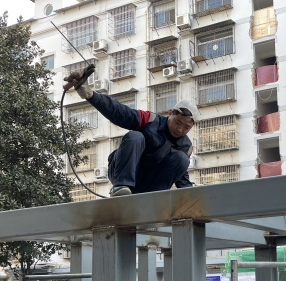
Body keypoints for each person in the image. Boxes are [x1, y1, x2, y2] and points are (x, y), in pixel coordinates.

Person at [64, 71, 200, 197]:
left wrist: (194, 198)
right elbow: (121, 112)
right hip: (123, 172)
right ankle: (121, 187)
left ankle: (156, 197)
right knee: (136, 136)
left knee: (182, 159)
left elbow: (181, 175)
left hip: (150, 184)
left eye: (186, 127)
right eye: (178, 122)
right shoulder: (150, 120)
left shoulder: (186, 146)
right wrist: (91, 95)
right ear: (170, 113)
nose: (180, 130)